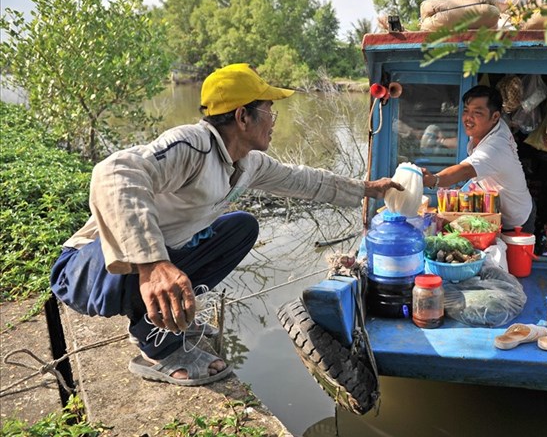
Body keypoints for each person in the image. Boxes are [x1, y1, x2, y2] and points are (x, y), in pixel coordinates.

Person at [50, 63, 402, 386]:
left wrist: (368, 189)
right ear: (242, 117)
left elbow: (304, 180)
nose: (274, 121)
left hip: (137, 267)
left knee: (241, 228)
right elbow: (114, 172)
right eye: (269, 111)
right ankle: (157, 349)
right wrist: (152, 264)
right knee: (160, 253)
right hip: (86, 271)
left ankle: (155, 321)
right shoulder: (192, 145)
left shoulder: (249, 163)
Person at [420, 85, 535, 232]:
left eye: (477, 112)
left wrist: (434, 180)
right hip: (495, 213)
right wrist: (441, 141)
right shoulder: (488, 127)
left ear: (495, 117)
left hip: (516, 221)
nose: (468, 118)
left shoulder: (495, 148)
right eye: (466, 110)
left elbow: (464, 170)